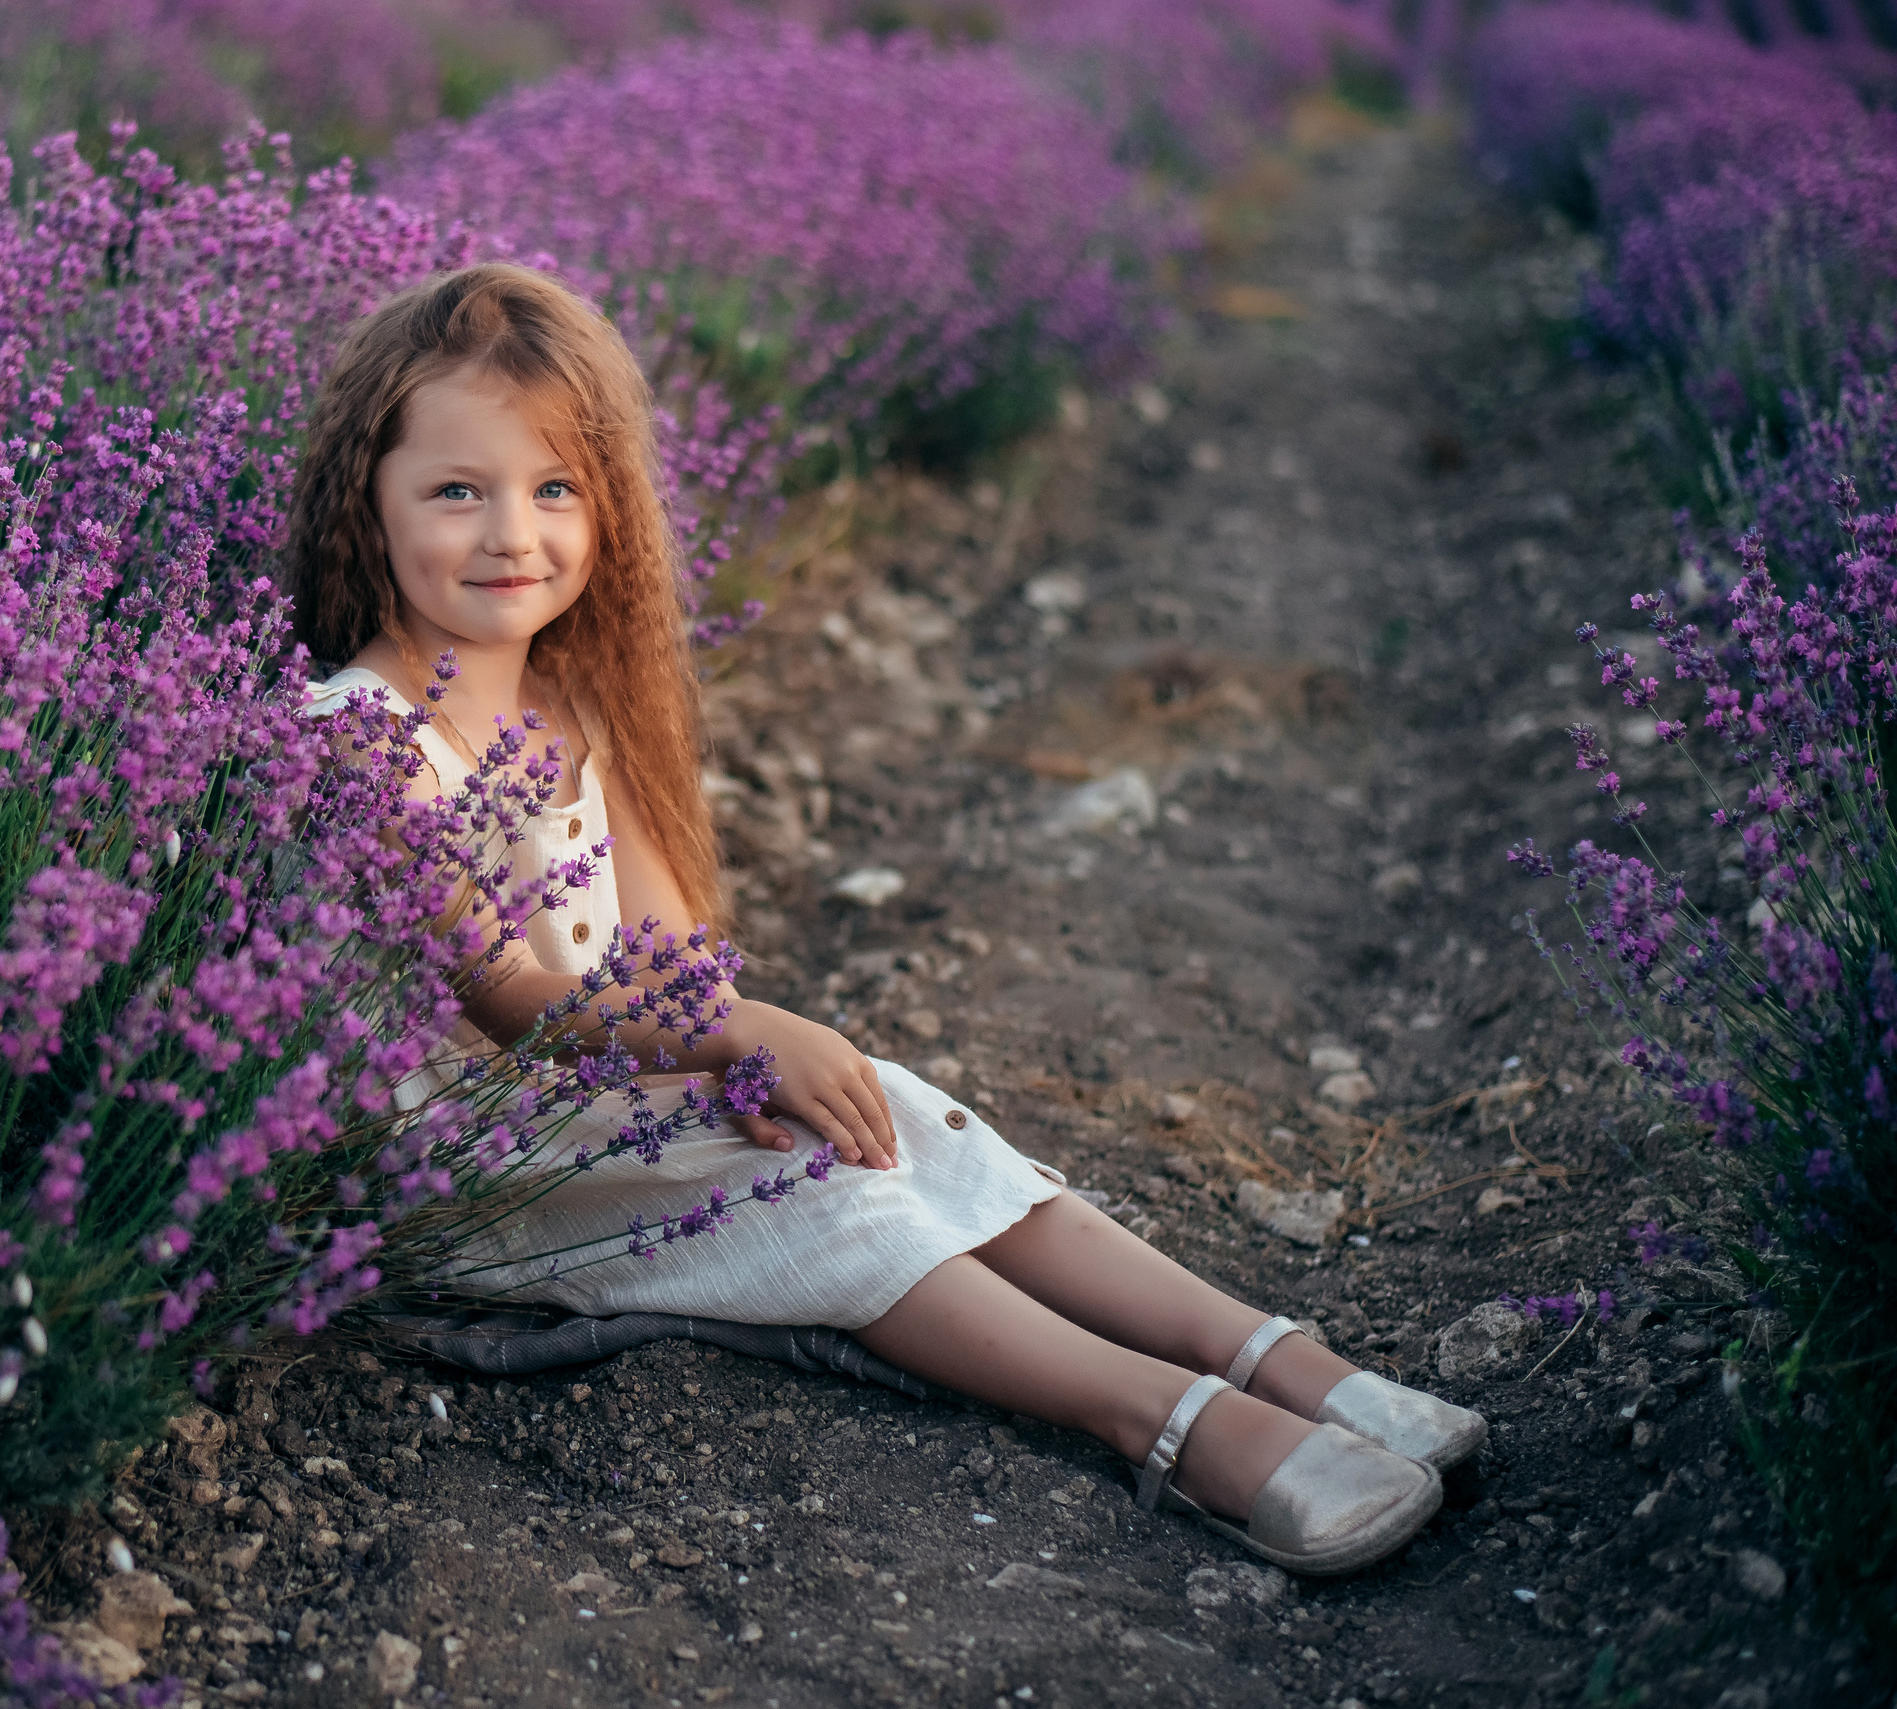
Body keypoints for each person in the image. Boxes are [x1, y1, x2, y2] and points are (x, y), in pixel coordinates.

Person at [288, 262, 1481, 1576]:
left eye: (554, 487)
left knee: (892, 1111)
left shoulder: (573, 707)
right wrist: (735, 1031)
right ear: (370, 500)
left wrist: (732, 1044)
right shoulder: (363, 744)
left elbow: (668, 962)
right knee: (807, 1188)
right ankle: (1173, 1422)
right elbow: (516, 998)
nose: (512, 531)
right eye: (458, 489)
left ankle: (1282, 1358)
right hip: (459, 1170)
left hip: (593, 1105)